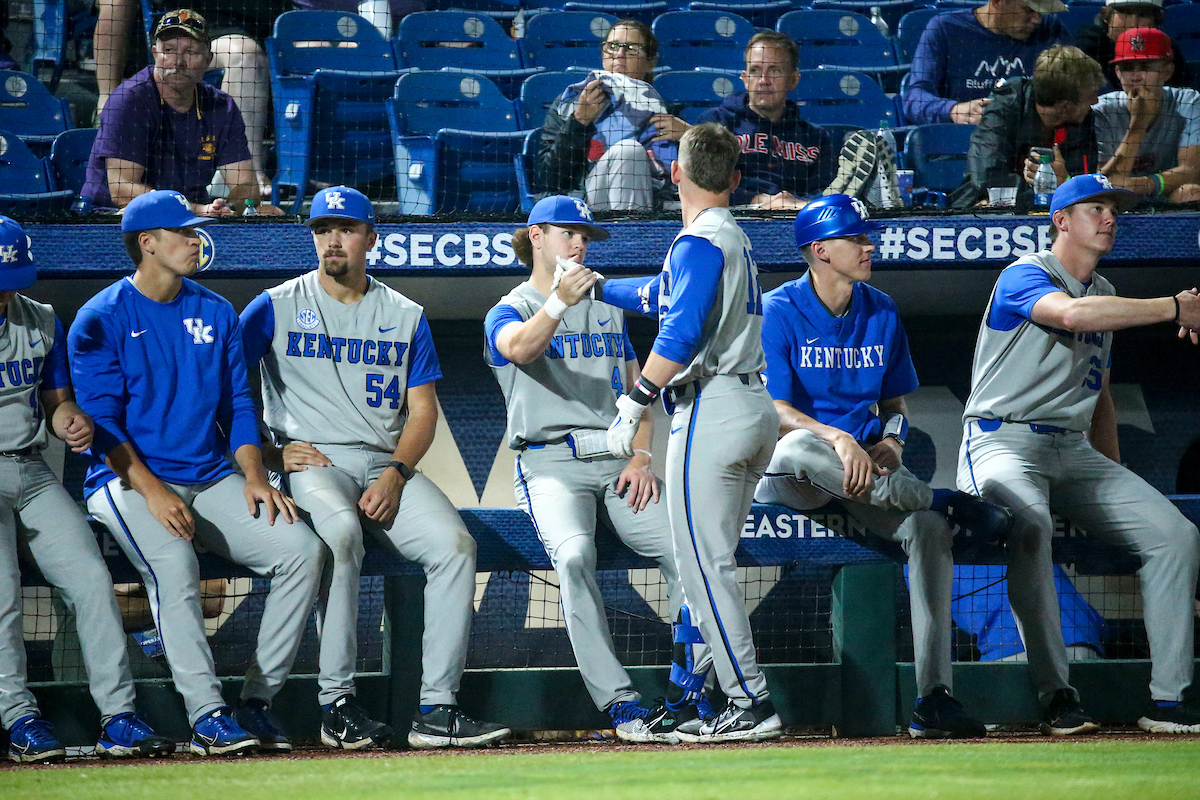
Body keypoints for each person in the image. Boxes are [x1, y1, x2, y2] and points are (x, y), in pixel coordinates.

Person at [239, 186, 510, 751]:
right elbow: (225, 395)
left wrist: (396, 473)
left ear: (371, 238)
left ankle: (437, 710)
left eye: (344, 228)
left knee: (456, 546)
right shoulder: (274, 304)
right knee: (338, 534)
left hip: (385, 464)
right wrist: (265, 456)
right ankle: (336, 703)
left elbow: (424, 410)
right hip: (315, 460)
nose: (331, 240)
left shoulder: (404, 314)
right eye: (321, 229)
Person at [68, 190, 324, 756]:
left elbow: (237, 406)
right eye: (181, 231)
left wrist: (257, 476)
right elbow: (104, 426)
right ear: (147, 243)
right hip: (125, 480)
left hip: (209, 475)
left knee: (302, 551)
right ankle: (207, 715)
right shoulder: (101, 317)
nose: (194, 238)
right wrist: (155, 494)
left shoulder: (214, 310)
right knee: (174, 563)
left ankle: (256, 702)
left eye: (194, 229)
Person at [753, 194, 1012, 738]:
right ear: (820, 251)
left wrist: (893, 440)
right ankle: (944, 497)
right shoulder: (778, 308)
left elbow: (895, 407)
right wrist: (838, 437)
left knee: (928, 529)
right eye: (857, 239)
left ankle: (934, 698)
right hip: (796, 475)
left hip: (865, 481)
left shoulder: (883, 309)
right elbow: (774, 412)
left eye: (867, 237)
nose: (869, 246)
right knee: (801, 451)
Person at [956, 173, 1200, 735]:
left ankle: (1169, 700)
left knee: (1176, 534)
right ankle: (1057, 696)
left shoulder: (1107, 290)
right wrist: (1174, 307)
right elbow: (1070, 316)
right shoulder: (1026, 272)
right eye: (1096, 208)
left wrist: (1112, 484)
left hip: (1072, 450)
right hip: (1002, 441)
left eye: (1114, 209)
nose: (1110, 218)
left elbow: (1101, 398)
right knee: (1033, 526)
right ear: (1060, 221)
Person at [483, 194, 714, 744]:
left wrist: (640, 455)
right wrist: (558, 304)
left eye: (586, 235)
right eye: (568, 232)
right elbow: (518, 349)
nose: (580, 243)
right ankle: (621, 703)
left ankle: (689, 691)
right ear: (537, 236)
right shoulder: (509, 306)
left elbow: (639, 385)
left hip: (617, 461)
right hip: (550, 462)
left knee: (690, 554)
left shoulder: (607, 304)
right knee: (574, 556)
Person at [600, 123, 781, 743]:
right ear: (734, 179)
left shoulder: (698, 240)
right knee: (712, 566)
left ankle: (749, 700)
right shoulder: (729, 235)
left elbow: (679, 332)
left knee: (704, 569)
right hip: (752, 407)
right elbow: (660, 295)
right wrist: (599, 288)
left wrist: (634, 400)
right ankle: (699, 696)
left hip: (710, 406)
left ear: (675, 174)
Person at [0, 217, 175, 764]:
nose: (7, 292)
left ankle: (118, 718)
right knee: (2, 593)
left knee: (93, 581)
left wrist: (70, 421)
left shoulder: (41, 319)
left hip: (29, 472)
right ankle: (19, 718)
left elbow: (57, 404)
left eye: (12, 278)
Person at [83, 9, 281, 216]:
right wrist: (196, 210)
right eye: (168, 50)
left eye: (190, 53)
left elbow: (246, 187)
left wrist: (230, 208)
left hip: (190, 218)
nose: (178, 62)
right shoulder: (129, 101)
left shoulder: (221, 106)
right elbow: (122, 190)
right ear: (154, 54)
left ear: (208, 60)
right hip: (119, 216)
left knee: (272, 213)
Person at [537, 19, 690, 212]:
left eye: (632, 48)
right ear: (603, 54)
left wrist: (690, 136)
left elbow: (697, 176)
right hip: (586, 205)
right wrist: (579, 122)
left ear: (651, 62)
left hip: (654, 202)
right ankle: (628, 237)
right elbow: (549, 179)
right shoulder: (571, 103)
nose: (619, 54)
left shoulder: (666, 114)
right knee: (629, 151)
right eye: (612, 46)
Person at [696, 32, 836, 211]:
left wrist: (795, 204)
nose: (763, 81)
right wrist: (758, 201)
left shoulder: (815, 137)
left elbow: (824, 191)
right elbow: (706, 185)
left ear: (793, 80)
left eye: (774, 70)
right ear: (745, 79)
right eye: (755, 71)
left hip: (797, 219)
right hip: (732, 217)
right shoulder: (715, 123)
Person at [967, 45, 1105, 207]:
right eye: (1091, 95)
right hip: (990, 204)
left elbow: (1084, 184)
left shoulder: (1082, 119)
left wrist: (1063, 179)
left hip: (1057, 209)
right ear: (1065, 106)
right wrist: (1041, 186)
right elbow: (987, 177)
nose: (1095, 101)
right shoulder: (1004, 108)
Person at [903, 0, 1072, 126]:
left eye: (1041, 12)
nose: (1037, 19)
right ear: (998, 2)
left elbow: (1079, 86)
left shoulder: (1052, 30)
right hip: (963, 142)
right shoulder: (945, 29)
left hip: (1031, 142)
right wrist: (953, 110)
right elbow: (913, 98)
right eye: (1028, 10)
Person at [1093, 28, 1200, 203]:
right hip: (1115, 201)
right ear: (1118, 73)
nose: (1136, 77)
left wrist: (1145, 185)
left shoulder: (1188, 102)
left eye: (1145, 67)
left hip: (1165, 194)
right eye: (1127, 68)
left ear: (1167, 71)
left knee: (1190, 191)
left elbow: (1192, 171)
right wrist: (1138, 124)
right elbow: (1104, 182)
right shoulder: (1102, 110)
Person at [1075, 0, 1190, 92]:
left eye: (1143, 15)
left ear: (1156, 20)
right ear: (1106, 15)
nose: (1134, 22)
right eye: (1126, 13)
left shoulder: (1166, 48)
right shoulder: (1087, 48)